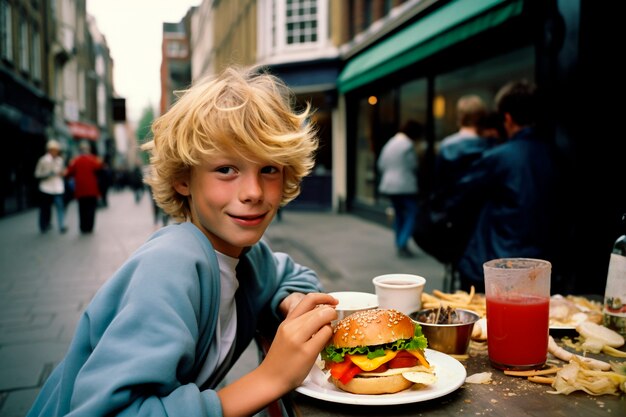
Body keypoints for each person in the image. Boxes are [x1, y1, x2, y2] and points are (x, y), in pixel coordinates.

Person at [26, 66, 338, 417]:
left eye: (269, 169)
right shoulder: (171, 263)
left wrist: (290, 303)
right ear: (183, 179)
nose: (253, 192)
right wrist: (270, 377)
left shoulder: (247, 258)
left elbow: (292, 276)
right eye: (226, 170)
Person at [444, 80, 557, 293]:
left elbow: (459, 200)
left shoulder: (498, 158)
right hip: (543, 267)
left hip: (499, 265)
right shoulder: (557, 156)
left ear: (508, 118)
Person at [377, 119, 424, 258]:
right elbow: (413, 166)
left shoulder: (390, 143)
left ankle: (399, 242)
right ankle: (402, 243)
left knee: (398, 215)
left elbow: (381, 164)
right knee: (412, 214)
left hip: (389, 185)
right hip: (405, 186)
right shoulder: (408, 145)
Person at [65, 140, 103, 233]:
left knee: (82, 209)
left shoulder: (75, 160)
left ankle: (83, 227)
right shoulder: (93, 159)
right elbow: (99, 168)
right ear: (88, 149)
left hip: (80, 190)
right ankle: (89, 227)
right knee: (91, 209)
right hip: (92, 189)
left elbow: (68, 173)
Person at [34, 139, 67, 234]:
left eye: (56, 150)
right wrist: (48, 174)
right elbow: (37, 174)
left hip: (57, 187)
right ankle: (44, 225)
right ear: (49, 150)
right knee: (45, 208)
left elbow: (63, 171)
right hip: (46, 188)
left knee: (60, 206)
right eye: (53, 150)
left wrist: (63, 173)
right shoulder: (43, 160)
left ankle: (62, 225)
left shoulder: (60, 160)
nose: (55, 152)